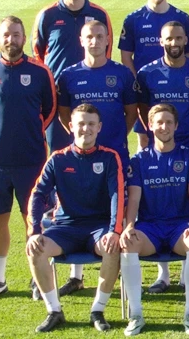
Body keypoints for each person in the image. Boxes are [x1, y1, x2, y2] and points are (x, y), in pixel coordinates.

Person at [0, 15, 55, 301]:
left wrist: (27, 134)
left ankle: (38, 278)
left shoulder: (40, 71)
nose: (12, 40)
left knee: (34, 221)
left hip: (31, 160)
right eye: (6, 35)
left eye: (16, 34)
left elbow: (50, 110)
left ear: (24, 38)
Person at [25, 104, 124, 333]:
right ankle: (54, 311)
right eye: (81, 123)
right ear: (71, 126)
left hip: (98, 228)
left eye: (91, 124)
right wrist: (35, 232)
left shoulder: (110, 158)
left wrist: (113, 231)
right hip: (65, 228)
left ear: (99, 128)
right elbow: (37, 194)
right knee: (35, 249)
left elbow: (117, 196)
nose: (85, 129)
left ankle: (97, 310)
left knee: (112, 248)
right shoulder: (58, 159)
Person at [55, 20, 137, 296]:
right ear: (82, 40)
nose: (94, 41)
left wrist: (112, 139)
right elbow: (64, 114)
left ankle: (122, 269)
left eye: (99, 36)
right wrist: (83, 138)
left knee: (118, 208)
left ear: (107, 40)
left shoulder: (122, 74)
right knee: (76, 206)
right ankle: (75, 275)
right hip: (81, 158)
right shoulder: (68, 76)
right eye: (89, 36)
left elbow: (131, 113)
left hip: (114, 155)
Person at [119, 104, 189, 336]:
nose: (164, 127)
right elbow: (134, 199)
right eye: (159, 122)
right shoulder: (139, 161)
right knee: (128, 243)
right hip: (150, 228)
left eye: (168, 122)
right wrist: (128, 227)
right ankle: (136, 314)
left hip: (179, 227)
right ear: (150, 126)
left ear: (176, 126)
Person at [32, 0, 113, 153]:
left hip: (91, 92)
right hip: (58, 95)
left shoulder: (99, 14)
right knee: (59, 150)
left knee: (93, 148)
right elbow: (38, 54)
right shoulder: (47, 15)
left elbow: (105, 52)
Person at [119, 0, 189, 150]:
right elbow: (126, 56)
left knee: (176, 137)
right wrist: (138, 85)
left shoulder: (182, 18)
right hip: (146, 92)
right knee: (146, 139)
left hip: (174, 90)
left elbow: (188, 56)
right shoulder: (133, 19)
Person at [136, 21, 189, 168]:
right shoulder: (147, 73)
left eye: (179, 38)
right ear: (161, 41)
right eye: (169, 39)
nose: (174, 43)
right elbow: (142, 109)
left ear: (186, 40)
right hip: (160, 146)